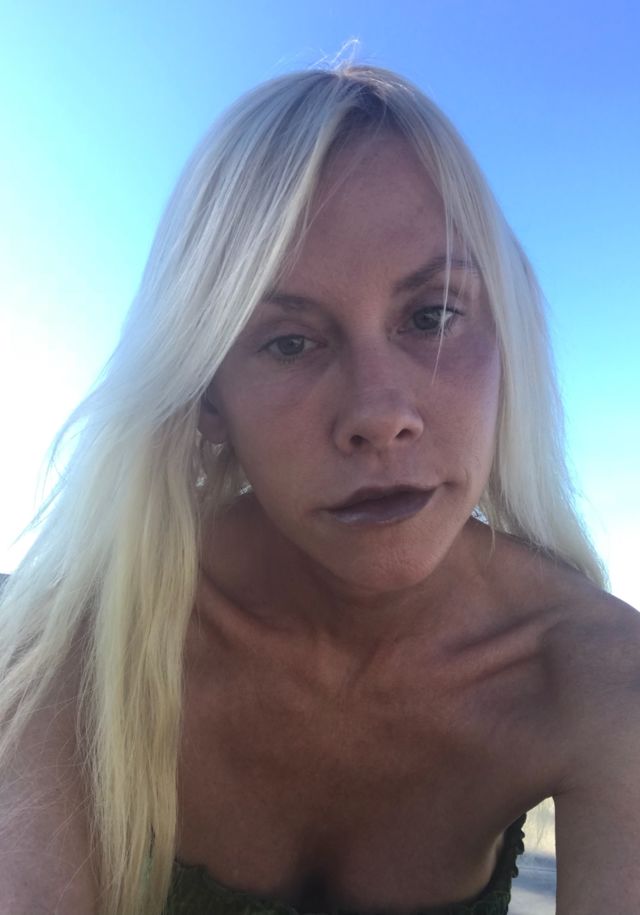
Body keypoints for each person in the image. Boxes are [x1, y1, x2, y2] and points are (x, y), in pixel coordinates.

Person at [0, 63, 638, 915]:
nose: (379, 415)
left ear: (507, 342)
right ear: (209, 397)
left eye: (432, 315)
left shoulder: (594, 672)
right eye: (290, 341)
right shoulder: (87, 639)